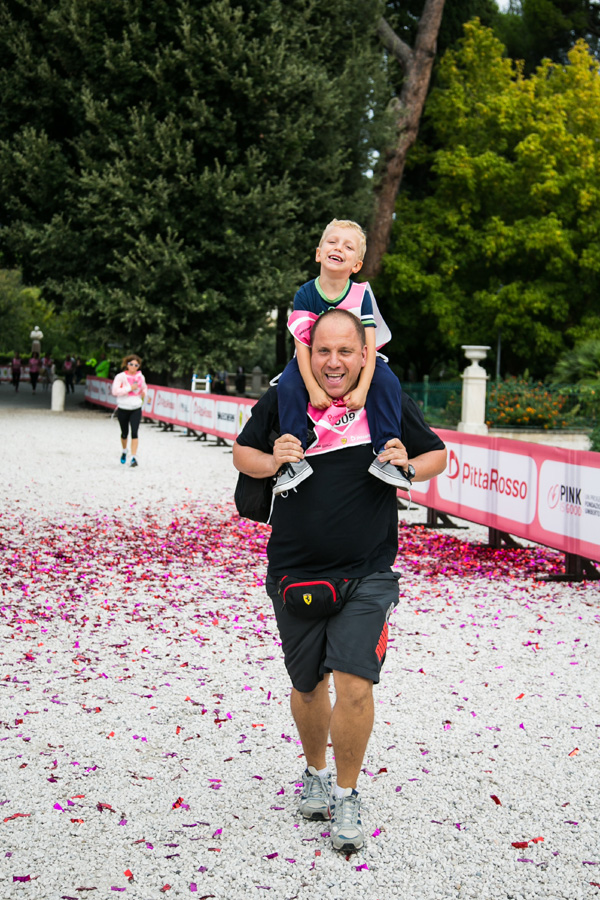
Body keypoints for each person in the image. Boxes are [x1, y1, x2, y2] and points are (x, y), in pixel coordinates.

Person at [233, 309, 446, 853]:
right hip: (294, 572)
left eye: (345, 351)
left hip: (368, 572)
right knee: (308, 686)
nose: (333, 362)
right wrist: (272, 459)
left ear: (364, 354)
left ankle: (347, 794)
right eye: (322, 350)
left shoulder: (384, 399)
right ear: (308, 352)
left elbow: (437, 455)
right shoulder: (284, 397)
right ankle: (316, 773)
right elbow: (241, 453)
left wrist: (407, 464)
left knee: (354, 683)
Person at [274, 219, 408, 497]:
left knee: (388, 382)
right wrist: (312, 387)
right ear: (318, 253)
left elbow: (369, 347)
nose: (338, 248)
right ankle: (293, 458)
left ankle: (386, 453)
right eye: (332, 242)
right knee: (288, 384)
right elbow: (302, 346)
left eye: (348, 246)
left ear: (356, 265)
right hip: (313, 358)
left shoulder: (361, 295)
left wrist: (362, 389)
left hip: (355, 360)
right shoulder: (305, 294)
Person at [111, 354, 147, 468]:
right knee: (124, 433)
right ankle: (124, 450)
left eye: (136, 365)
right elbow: (115, 391)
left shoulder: (141, 377)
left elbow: (144, 387)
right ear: (127, 364)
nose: (134, 367)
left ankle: (133, 457)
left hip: (136, 407)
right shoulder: (120, 377)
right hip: (123, 407)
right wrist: (129, 388)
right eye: (131, 364)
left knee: (135, 432)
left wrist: (144, 394)